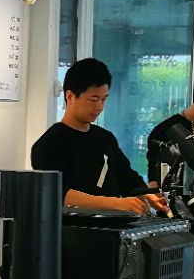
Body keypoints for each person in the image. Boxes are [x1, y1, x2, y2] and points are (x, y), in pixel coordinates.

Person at [32, 58, 167, 215]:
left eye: (104, 99)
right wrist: (116, 203)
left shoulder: (105, 138)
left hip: (111, 226)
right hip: (75, 228)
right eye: (93, 99)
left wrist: (148, 195)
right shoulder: (51, 143)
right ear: (70, 97)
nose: (99, 106)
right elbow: (59, 194)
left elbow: (127, 177)